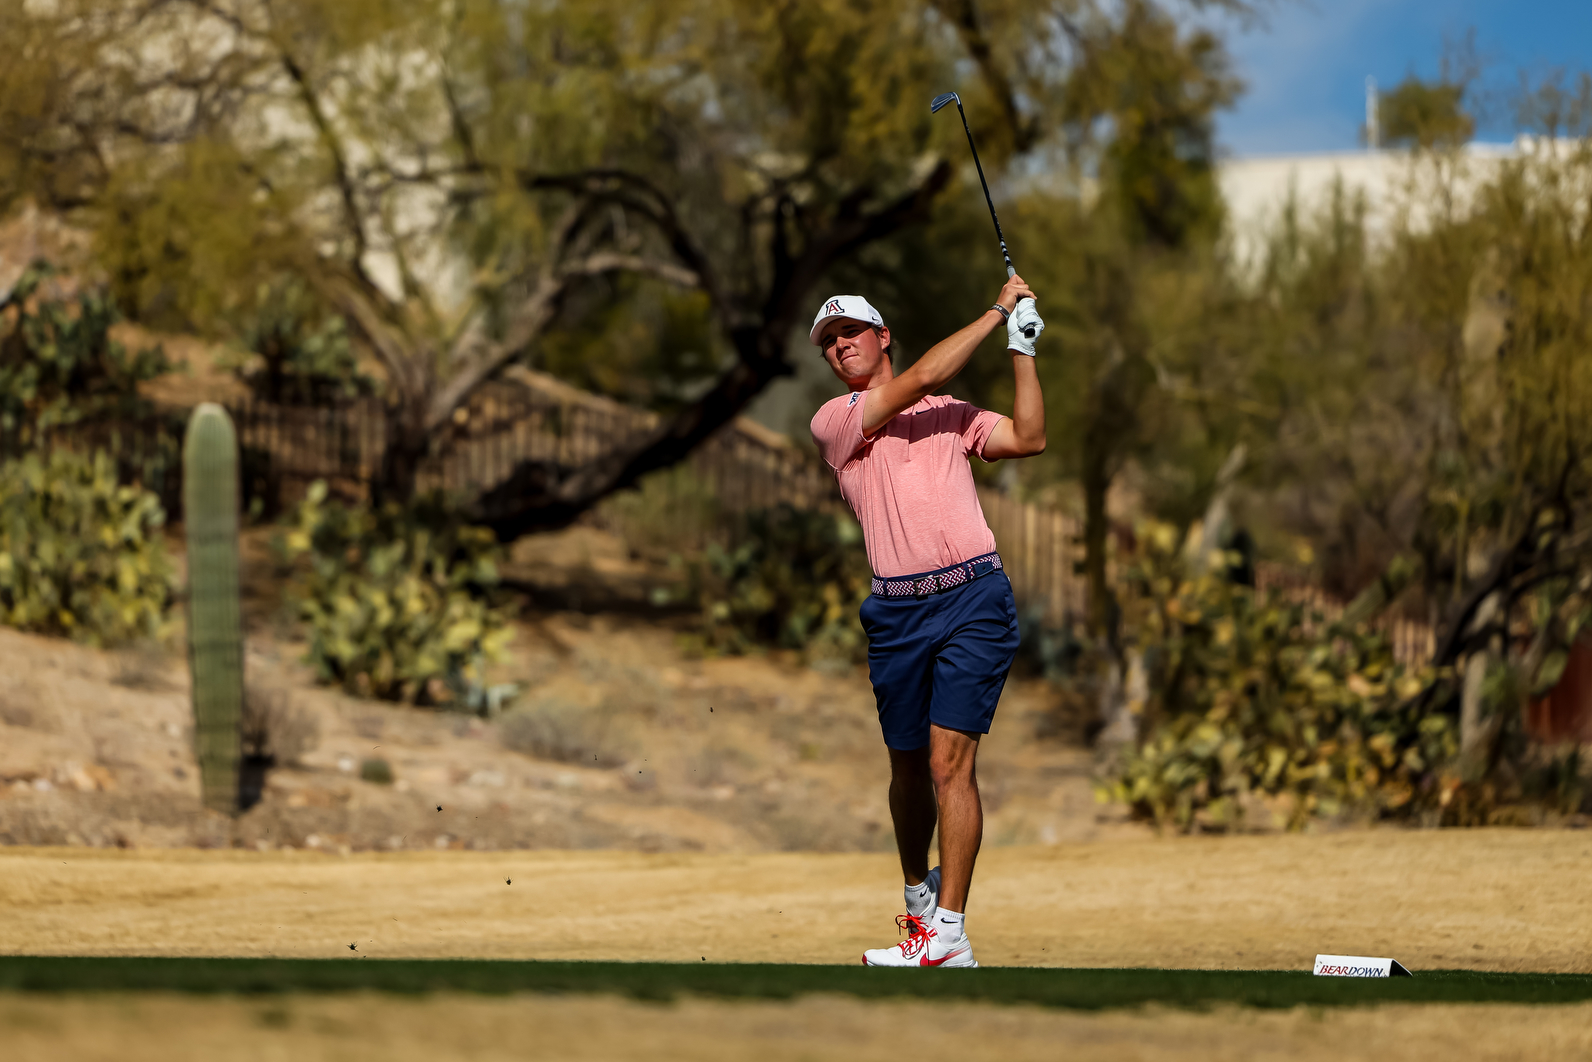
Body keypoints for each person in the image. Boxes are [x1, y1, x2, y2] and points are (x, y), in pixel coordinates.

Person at [808, 278, 1046, 968]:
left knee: (950, 767)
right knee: (907, 768)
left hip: (974, 599)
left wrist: (1021, 346)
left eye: (850, 331)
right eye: (828, 341)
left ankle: (949, 934)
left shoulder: (950, 414)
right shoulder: (838, 420)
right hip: (896, 610)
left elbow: (1029, 437)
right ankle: (919, 907)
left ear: (881, 335)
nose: (840, 345)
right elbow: (921, 377)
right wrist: (998, 308)